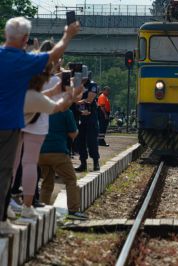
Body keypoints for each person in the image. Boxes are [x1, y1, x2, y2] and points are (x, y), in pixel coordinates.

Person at [0, 17, 79, 230]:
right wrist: (68, 35)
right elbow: (54, 55)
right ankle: (8, 217)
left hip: (15, 123)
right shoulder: (24, 62)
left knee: (11, 168)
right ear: (24, 38)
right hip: (9, 124)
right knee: (8, 170)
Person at [38, 109, 88, 220]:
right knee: (70, 180)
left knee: (46, 183)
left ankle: (42, 211)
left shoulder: (42, 109)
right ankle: (73, 211)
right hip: (58, 152)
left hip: (41, 152)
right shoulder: (66, 111)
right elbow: (73, 133)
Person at [75, 72, 100, 172]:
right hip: (80, 116)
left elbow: (89, 99)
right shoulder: (77, 85)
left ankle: (96, 162)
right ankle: (83, 163)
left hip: (91, 117)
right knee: (80, 142)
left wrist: (78, 101)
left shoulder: (92, 85)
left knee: (92, 141)